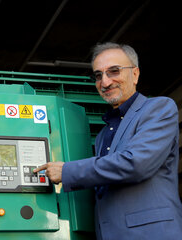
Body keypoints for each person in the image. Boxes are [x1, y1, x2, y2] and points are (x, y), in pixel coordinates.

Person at [34, 42, 182, 239]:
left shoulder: (159, 108)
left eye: (114, 71)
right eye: (98, 75)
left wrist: (67, 171)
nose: (105, 82)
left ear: (135, 74)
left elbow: (136, 163)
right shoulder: (104, 133)